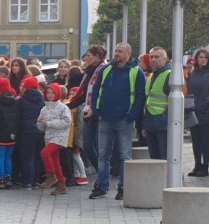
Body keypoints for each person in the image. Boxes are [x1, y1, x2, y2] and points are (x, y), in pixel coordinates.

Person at [89, 43, 147, 200]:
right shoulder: (106, 69)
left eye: (120, 51)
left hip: (124, 120)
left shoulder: (136, 72)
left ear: (128, 54)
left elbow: (141, 96)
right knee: (103, 155)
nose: (117, 54)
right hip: (105, 119)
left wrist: (131, 116)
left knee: (124, 156)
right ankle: (101, 186)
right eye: (116, 51)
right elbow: (96, 90)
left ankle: (123, 187)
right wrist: (96, 110)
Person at [66, 45, 108, 175]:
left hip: (99, 112)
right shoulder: (89, 72)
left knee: (101, 147)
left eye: (89, 56)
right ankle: (102, 170)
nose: (86, 58)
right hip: (88, 111)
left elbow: (102, 93)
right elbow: (83, 94)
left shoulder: (104, 70)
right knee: (88, 146)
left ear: (97, 57)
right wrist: (67, 106)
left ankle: (105, 172)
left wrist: (94, 108)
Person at [37, 83, 72, 195]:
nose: (50, 95)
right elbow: (40, 126)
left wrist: (48, 123)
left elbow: (66, 122)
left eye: (53, 92)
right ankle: (62, 185)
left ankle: (51, 175)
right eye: (48, 92)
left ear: (58, 93)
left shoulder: (63, 107)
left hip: (60, 137)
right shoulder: (44, 108)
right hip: (49, 137)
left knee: (45, 153)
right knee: (56, 162)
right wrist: (41, 123)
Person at [142, 47, 172, 160]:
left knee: (164, 158)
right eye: (151, 57)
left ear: (165, 59)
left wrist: (166, 119)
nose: (153, 59)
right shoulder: (152, 76)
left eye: (157, 57)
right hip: (151, 123)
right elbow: (148, 101)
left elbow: (173, 103)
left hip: (163, 125)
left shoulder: (169, 74)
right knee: (154, 158)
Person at [16, 76, 45, 189]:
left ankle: (28, 182)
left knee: (27, 157)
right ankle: (36, 181)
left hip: (26, 131)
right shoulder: (42, 100)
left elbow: (18, 118)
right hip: (40, 130)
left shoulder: (21, 100)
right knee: (37, 157)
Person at [0, 77, 19, 189]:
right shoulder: (15, 101)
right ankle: (8, 178)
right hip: (12, 134)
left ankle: (0, 179)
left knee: (0, 157)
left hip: (0, 134)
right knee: (8, 157)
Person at [187, 48, 209, 177]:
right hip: (193, 111)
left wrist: (205, 103)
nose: (203, 59)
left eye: (205, 57)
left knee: (205, 141)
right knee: (195, 141)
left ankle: (205, 166)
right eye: (201, 57)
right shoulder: (193, 73)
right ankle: (197, 165)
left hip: (205, 112)